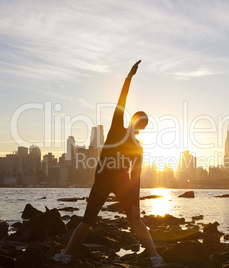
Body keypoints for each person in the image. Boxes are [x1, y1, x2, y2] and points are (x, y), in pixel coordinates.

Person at [54, 60, 166, 267]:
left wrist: (135, 206)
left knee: (136, 220)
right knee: (86, 221)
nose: (139, 125)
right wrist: (129, 77)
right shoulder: (116, 128)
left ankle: (155, 257)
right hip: (103, 181)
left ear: (142, 128)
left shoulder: (138, 148)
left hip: (122, 183)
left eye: (143, 124)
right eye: (139, 121)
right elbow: (121, 100)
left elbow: (136, 176)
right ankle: (66, 254)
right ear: (132, 120)